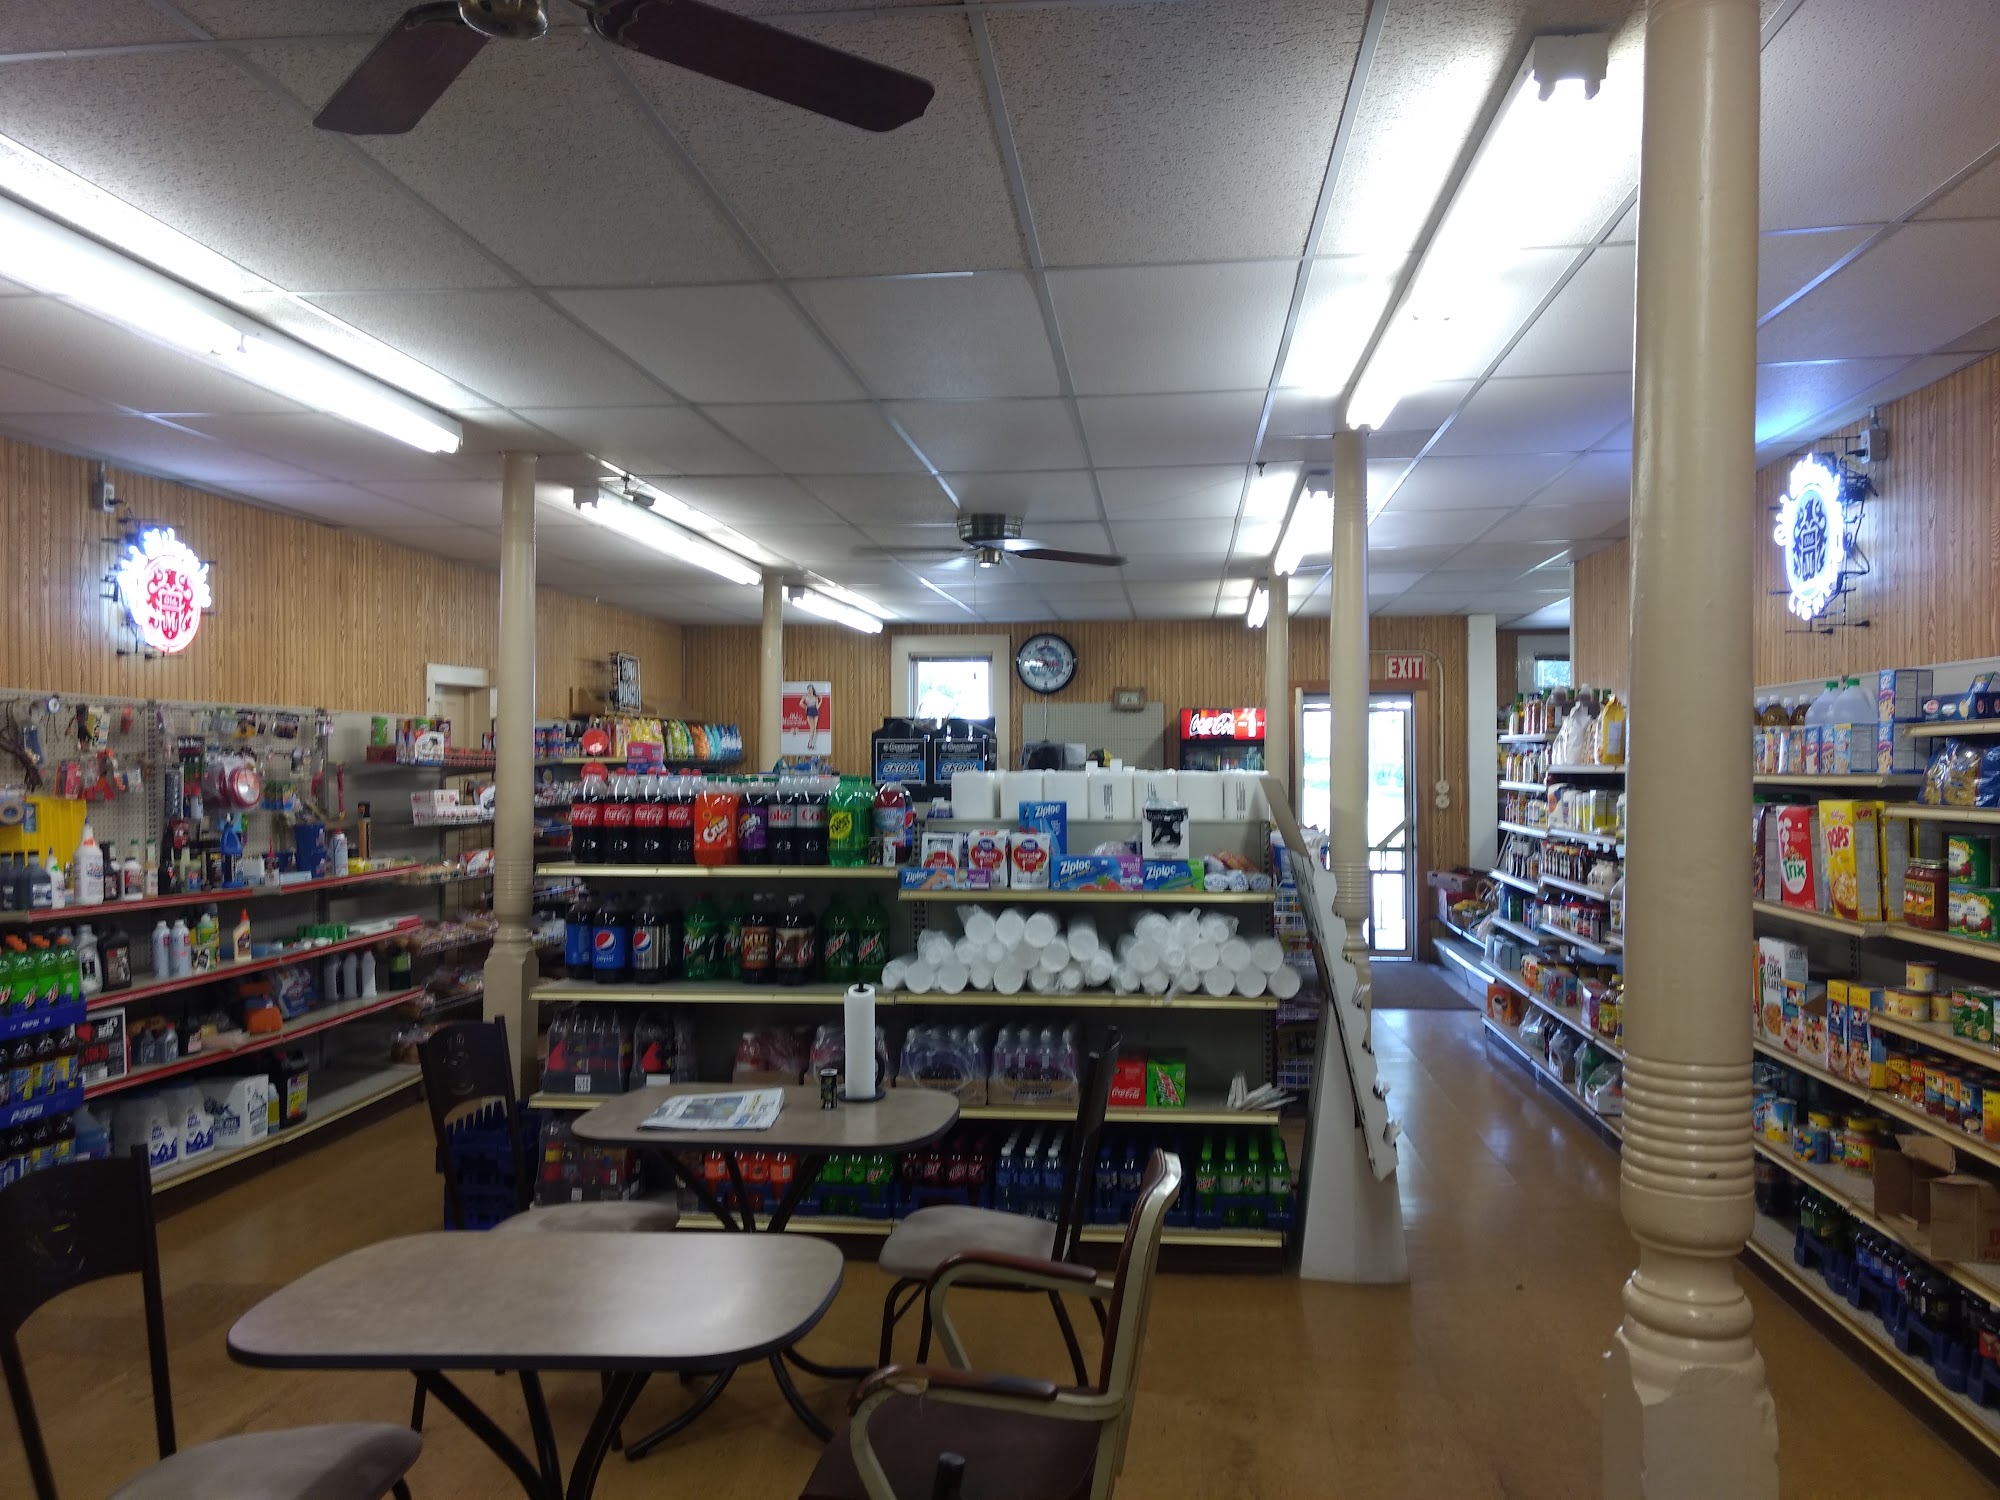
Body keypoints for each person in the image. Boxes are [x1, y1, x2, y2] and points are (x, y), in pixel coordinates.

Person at [801, 683, 822, 752]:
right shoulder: (805, 696)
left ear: (813, 690)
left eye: (811, 689)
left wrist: (821, 701)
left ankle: (812, 743)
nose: (810, 691)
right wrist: (806, 707)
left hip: (815, 711)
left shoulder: (815, 697)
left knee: (815, 728)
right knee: (812, 728)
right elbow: (800, 703)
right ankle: (810, 742)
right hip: (809, 711)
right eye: (808, 690)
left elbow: (817, 707)